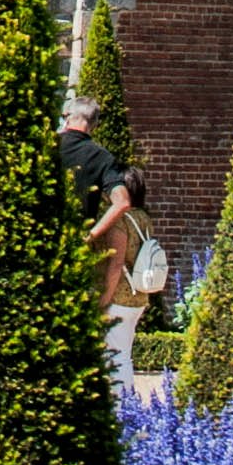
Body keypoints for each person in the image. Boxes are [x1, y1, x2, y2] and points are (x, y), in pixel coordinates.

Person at [85, 167, 158, 411]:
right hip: (138, 296)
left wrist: (104, 299)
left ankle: (120, 408)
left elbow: (116, 263)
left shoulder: (120, 219)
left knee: (116, 357)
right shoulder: (143, 217)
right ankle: (124, 405)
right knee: (123, 353)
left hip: (119, 297)